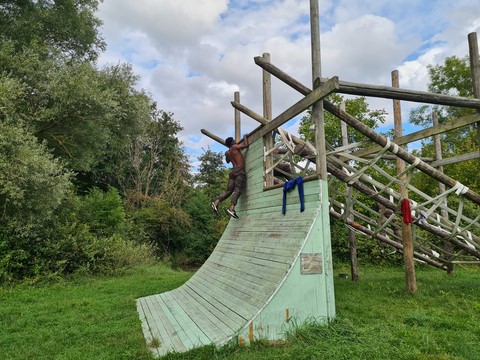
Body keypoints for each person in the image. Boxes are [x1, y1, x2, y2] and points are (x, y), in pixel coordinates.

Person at [211, 134, 249, 219]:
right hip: (239, 171)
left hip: (232, 172)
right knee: (238, 189)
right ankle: (231, 208)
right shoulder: (235, 147)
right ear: (232, 142)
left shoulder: (227, 152)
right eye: (234, 140)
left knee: (228, 191)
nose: (235, 140)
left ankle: (216, 202)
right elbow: (246, 145)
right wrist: (245, 137)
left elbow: (228, 161)